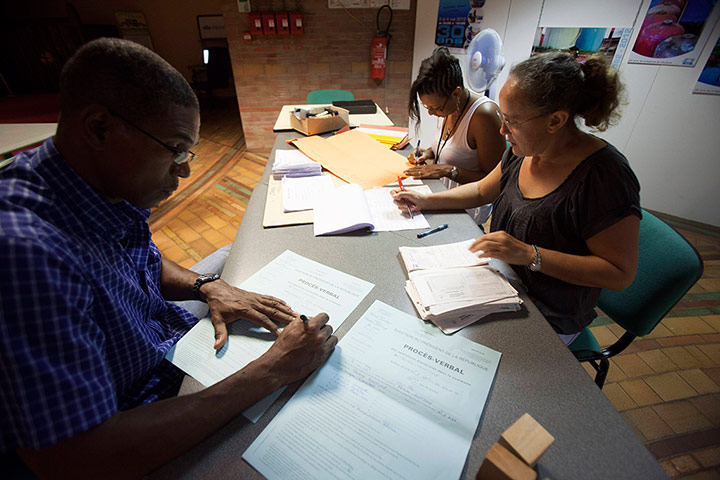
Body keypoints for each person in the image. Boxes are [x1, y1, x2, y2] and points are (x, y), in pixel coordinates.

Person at [0, 38, 337, 478]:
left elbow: (140, 256)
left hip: (163, 343)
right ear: (100, 128)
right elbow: (75, 457)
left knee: (229, 259)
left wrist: (207, 286)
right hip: (134, 414)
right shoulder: (24, 255)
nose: (185, 170)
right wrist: (271, 372)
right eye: (175, 148)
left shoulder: (93, 178)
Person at [394, 52, 641, 344]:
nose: (502, 130)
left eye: (511, 121)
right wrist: (424, 201)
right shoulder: (523, 149)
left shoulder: (604, 177)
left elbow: (619, 274)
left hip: (549, 315)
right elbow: (483, 190)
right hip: (503, 284)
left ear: (555, 121)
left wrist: (529, 254)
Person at [406, 47, 506, 225]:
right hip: (443, 198)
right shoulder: (448, 108)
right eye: (426, 107)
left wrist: (448, 170)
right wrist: (428, 153)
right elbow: (454, 148)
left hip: (468, 211)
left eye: (435, 108)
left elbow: (495, 180)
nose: (431, 113)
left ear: (456, 93)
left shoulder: (484, 116)